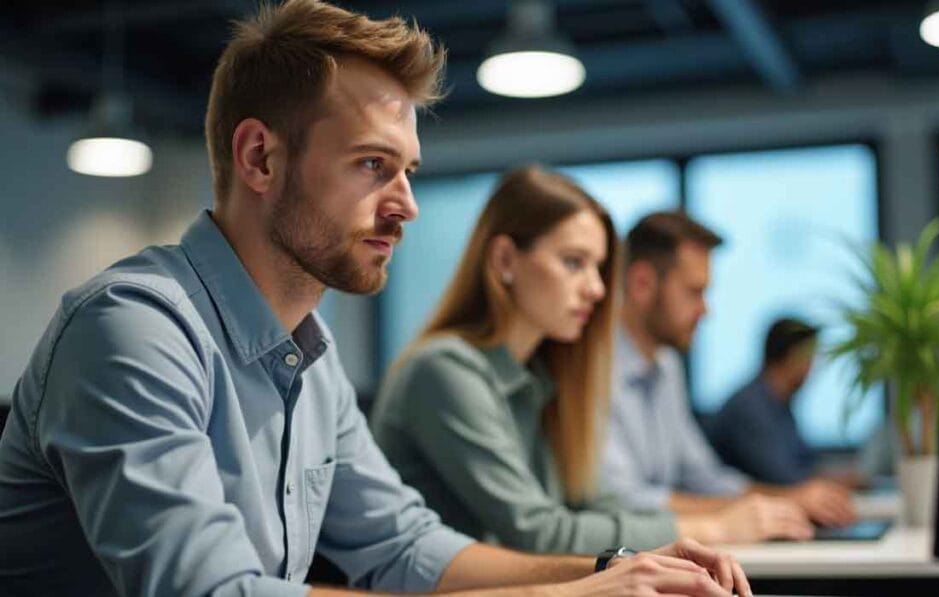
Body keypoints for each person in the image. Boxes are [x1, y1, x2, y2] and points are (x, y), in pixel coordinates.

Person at [0, 2, 749, 596]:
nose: (406, 205)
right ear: (260, 157)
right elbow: (215, 591)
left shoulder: (311, 357)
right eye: (371, 165)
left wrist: (613, 570)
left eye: (408, 171)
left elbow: (405, 545)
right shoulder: (132, 328)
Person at [372, 165, 737, 553]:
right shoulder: (444, 371)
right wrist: (708, 529)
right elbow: (538, 532)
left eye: (599, 268)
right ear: (505, 260)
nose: (597, 289)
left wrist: (708, 525)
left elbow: (594, 499)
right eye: (574, 262)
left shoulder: (539, 377)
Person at [601, 212, 856, 538]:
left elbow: (704, 477)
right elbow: (626, 501)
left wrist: (782, 501)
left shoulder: (666, 366)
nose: (705, 310)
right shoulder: (596, 371)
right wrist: (757, 508)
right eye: (694, 292)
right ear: (642, 284)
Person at [708, 318, 830, 485]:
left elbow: (806, 462)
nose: (813, 367)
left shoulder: (780, 404)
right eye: (811, 358)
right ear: (793, 356)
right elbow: (781, 479)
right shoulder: (751, 406)